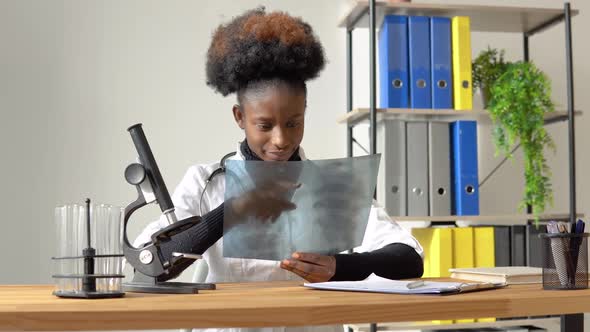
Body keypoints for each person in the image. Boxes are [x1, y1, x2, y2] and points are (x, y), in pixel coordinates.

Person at [134, 7, 423, 330]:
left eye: (293, 123)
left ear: (305, 112)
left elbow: (409, 258)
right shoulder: (206, 183)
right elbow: (151, 266)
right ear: (240, 117)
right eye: (265, 125)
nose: (281, 139)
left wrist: (338, 266)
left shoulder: (330, 183)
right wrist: (232, 212)